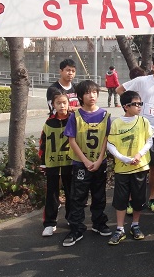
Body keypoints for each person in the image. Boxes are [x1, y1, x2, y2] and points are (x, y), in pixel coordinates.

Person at [117, 54, 154, 213]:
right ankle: (130, 201)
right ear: (153, 67)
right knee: (134, 166)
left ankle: (152, 198)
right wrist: (131, 107)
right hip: (136, 130)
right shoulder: (142, 81)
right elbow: (120, 89)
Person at [62, 80, 111, 247]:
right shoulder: (75, 116)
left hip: (100, 162)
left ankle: (99, 224)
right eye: (88, 93)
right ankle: (76, 229)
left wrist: (98, 160)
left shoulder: (105, 115)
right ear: (80, 96)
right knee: (78, 197)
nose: (92, 96)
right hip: (80, 164)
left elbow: (106, 139)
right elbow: (72, 140)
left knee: (99, 195)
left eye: (95, 92)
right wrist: (85, 160)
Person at [106, 90, 153, 245]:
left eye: (140, 103)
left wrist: (139, 154)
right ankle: (120, 228)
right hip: (122, 168)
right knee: (120, 199)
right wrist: (123, 158)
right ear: (126, 106)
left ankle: (135, 225)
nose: (139, 106)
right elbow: (110, 144)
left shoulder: (143, 122)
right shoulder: (116, 123)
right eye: (135, 104)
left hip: (140, 167)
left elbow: (149, 141)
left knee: (139, 198)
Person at [38, 90, 74, 237]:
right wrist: (43, 162)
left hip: (69, 162)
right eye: (58, 103)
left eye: (64, 102)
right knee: (52, 193)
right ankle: (50, 223)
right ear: (53, 105)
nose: (61, 105)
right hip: (52, 163)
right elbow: (42, 144)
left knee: (71, 192)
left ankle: (72, 218)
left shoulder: (73, 120)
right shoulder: (49, 122)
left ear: (68, 104)